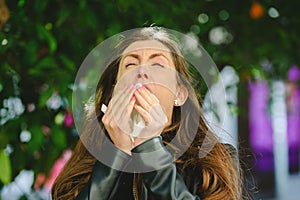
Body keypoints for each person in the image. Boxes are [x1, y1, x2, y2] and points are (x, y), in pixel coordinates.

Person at [52, 27, 245, 199]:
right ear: (113, 91)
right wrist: (115, 154)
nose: (141, 71)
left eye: (158, 65)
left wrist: (150, 148)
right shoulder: (87, 162)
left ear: (179, 93)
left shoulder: (212, 163)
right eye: (130, 65)